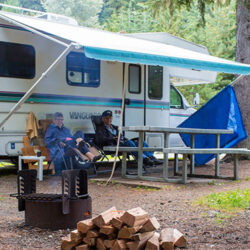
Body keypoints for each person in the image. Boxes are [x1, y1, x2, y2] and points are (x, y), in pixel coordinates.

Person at [95, 110, 162, 166]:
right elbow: (100, 140)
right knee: (129, 143)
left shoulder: (114, 127)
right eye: (107, 118)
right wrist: (113, 138)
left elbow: (122, 137)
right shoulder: (100, 128)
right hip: (113, 146)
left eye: (110, 118)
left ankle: (151, 157)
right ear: (102, 119)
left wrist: (121, 138)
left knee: (140, 142)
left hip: (122, 143)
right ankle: (144, 159)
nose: (109, 119)